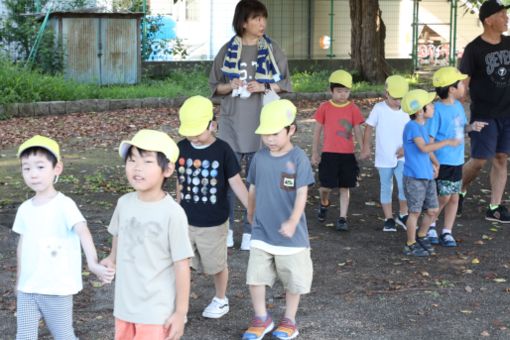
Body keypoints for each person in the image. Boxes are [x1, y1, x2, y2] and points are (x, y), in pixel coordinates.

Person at [13, 135, 114, 340]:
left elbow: (83, 231)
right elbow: (22, 245)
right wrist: (19, 281)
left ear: (57, 168)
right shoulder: (24, 209)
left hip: (57, 288)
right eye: (27, 168)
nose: (33, 174)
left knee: (63, 335)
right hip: (28, 288)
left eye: (40, 167)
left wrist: (92, 264)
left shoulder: (64, 204)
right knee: (23, 336)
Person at [209, 0, 292, 250]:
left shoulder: (272, 49)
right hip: (231, 124)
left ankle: (251, 230)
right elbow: (215, 87)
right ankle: (227, 230)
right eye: (256, 19)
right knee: (227, 179)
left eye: (263, 18)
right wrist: (230, 85)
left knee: (257, 180)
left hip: (262, 125)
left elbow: (286, 83)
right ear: (243, 22)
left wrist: (264, 86)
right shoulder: (226, 50)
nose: (262, 23)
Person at [101, 130, 194, 340]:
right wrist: (112, 258)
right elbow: (118, 233)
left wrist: (180, 312)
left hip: (156, 312)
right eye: (132, 160)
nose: (137, 168)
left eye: (147, 161)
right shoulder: (124, 203)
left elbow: (182, 265)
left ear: (168, 169)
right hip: (124, 307)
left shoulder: (173, 213)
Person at [242, 99, 314, 340]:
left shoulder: (299, 159)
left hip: (291, 236)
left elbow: (302, 193)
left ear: (290, 130)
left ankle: (289, 320)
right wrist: (250, 213)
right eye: (265, 134)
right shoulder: (259, 158)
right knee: (255, 276)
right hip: (262, 230)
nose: (269, 139)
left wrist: (293, 220)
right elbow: (252, 188)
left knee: (293, 280)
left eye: (275, 133)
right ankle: (262, 318)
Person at [175, 96, 248, 319]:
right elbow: (180, 180)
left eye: (198, 131)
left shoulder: (223, 151)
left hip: (214, 223)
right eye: (189, 132)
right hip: (186, 221)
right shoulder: (181, 147)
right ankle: (181, 306)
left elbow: (236, 183)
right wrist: (177, 209)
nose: (193, 137)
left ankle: (220, 299)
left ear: (212, 125)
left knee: (216, 265)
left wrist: (252, 210)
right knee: (182, 264)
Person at [458, 0, 510, 222]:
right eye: (501, 14)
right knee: (479, 160)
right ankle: (457, 190)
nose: (506, 18)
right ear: (488, 20)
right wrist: (450, 101)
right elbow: (463, 83)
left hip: (507, 113)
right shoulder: (473, 49)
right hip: (484, 114)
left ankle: (495, 207)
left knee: (501, 158)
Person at [426, 67, 488, 247]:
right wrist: (434, 162)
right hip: (442, 161)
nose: (464, 85)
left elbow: (460, 128)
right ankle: (430, 225)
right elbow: (429, 139)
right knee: (443, 197)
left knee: (454, 196)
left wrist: (471, 127)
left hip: (457, 161)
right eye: (460, 83)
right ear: (451, 89)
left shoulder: (459, 106)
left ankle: (447, 231)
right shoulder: (436, 110)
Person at [400, 90, 460, 257]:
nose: (433, 106)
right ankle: (410, 244)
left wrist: (435, 162)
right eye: (430, 105)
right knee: (415, 212)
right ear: (420, 111)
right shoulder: (412, 127)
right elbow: (424, 148)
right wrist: (446, 142)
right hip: (414, 178)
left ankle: (421, 235)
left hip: (426, 176)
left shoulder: (422, 126)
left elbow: (427, 151)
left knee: (432, 210)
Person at [311, 69, 364, 231]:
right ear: (331, 90)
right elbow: (317, 131)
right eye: (339, 91)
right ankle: (324, 202)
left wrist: (363, 148)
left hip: (347, 155)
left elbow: (357, 129)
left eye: (346, 91)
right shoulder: (324, 107)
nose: (343, 95)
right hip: (329, 154)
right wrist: (315, 152)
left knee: (344, 186)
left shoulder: (353, 108)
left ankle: (342, 218)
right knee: (325, 187)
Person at [360, 75, 410, 232]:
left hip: (403, 156)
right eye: (395, 98)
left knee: (404, 186)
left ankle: (403, 214)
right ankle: (388, 218)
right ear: (386, 93)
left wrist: (407, 148)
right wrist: (366, 147)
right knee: (386, 187)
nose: (398, 102)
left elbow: (414, 130)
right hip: (384, 157)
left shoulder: (408, 110)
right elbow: (368, 127)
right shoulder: (379, 109)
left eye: (401, 98)